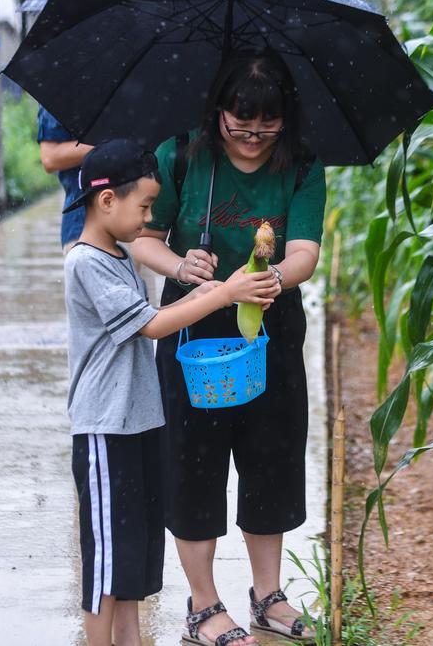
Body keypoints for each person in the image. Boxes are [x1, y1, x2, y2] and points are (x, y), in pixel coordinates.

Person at [130, 49, 326, 646]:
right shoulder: (182, 155)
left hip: (270, 319)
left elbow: (305, 251)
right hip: (193, 321)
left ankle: (268, 595)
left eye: (267, 127)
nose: (253, 137)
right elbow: (143, 238)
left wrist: (271, 279)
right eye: (239, 126)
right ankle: (204, 604)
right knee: (194, 462)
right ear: (217, 113)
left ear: (285, 120)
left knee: (271, 456)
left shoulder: (301, 164)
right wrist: (182, 264)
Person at [63, 138, 277, 646]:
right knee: (108, 556)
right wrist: (224, 293)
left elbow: (154, 315)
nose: (149, 218)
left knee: (135, 549)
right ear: (107, 200)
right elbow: (153, 326)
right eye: (144, 207)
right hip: (105, 428)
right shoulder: (86, 262)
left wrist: (203, 286)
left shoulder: (117, 255)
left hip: (137, 422)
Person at [37, 106, 94, 251]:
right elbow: (50, 158)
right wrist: (108, 143)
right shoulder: (61, 91)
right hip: (83, 225)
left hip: (132, 225)